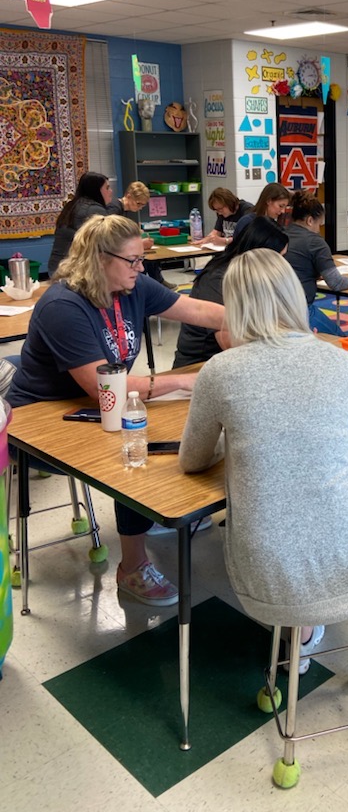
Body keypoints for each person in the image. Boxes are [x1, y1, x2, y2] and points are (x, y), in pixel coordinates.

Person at [178, 248, 348, 672]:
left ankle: (298, 629)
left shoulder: (221, 370)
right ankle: (308, 633)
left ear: (233, 306)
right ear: (294, 296)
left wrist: (234, 441)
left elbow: (192, 460)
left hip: (268, 557)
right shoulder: (340, 359)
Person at [7, 215, 225, 606]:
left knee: (170, 430)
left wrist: (266, 323)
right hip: (44, 419)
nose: (141, 269)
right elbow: (101, 386)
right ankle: (133, 567)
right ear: (99, 258)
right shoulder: (63, 305)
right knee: (136, 448)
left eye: (141, 260)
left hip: (99, 405)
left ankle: (156, 514)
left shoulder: (132, 284)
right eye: (133, 260)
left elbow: (196, 311)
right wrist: (181, 381)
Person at [173, 216, 289, 368]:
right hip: (200, 366)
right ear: (258, 254)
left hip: (237, 363)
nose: (281, 265)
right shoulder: (217, 280)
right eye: (278, 258)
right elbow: (230, 343)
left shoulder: (255, 276)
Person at [284, 190, 348, 335]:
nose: (318, 229)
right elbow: (336, 283)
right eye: (319, 225)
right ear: (310, 221)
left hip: (274, 309)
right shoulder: (315, 242)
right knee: (341, 340)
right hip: (300, 311)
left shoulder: (280, 234)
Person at [48, 171, 116, 275]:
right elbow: (108, 243)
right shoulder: (93, 210)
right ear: (96, 190)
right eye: (107, 188)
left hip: (58, 266)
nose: (111, 191)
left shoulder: (72, 205)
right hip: (72, 271)